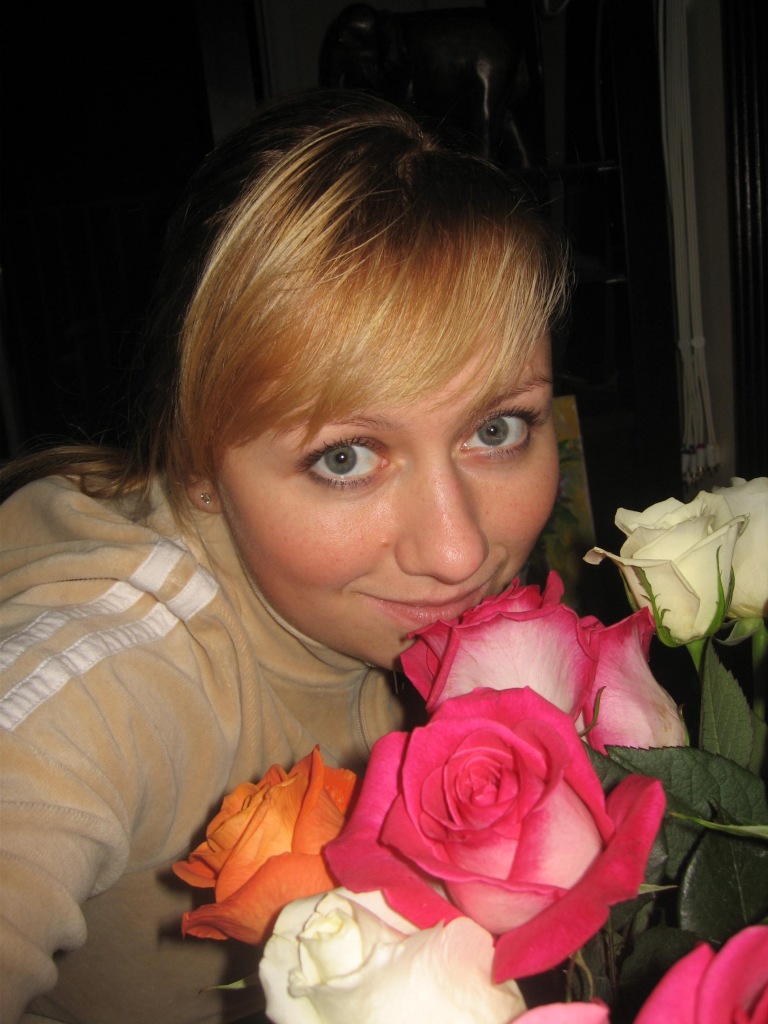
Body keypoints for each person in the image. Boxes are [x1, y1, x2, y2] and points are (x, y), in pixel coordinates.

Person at [0, 89, 570, 1023]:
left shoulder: (459, 618)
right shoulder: (112, 674)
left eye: (497, 429)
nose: (460, 551)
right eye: (344, 459)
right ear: (197, 463)